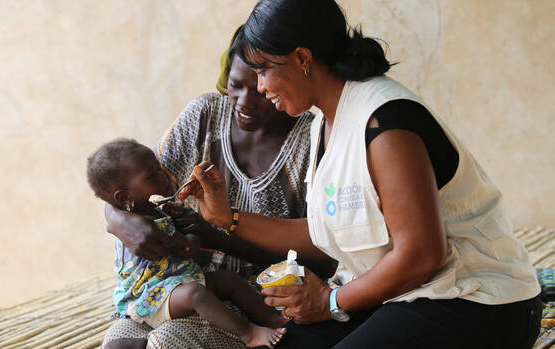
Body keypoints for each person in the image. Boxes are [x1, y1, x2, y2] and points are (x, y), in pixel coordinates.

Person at [178, 1, 543, 348]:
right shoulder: (324, 121)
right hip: (398, 296)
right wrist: (227, 218)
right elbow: (325, 229)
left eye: (262, 70)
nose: (259, 86)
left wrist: (330, 300)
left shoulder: (385, 125)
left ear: (302, 58)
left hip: (475, 300)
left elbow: (421, 255)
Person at [101, 27, 334, 349]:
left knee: (168, 342)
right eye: (236, 85)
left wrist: (217, 238)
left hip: (259, 296)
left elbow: (324, 258)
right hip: (176, 282)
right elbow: (128, 185)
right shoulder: (205, 115)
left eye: (260, 91)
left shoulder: (312, 141)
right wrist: (119, 221)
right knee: (118, 340)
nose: (244, 102)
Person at [87, 139, 287, 348]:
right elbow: (175, 250)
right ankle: (249, 334)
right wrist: (184, 241)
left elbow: (186, 250)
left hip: (177, 282)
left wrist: (190, 233)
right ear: (125, 197)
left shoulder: (158, 210)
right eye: (152, 175)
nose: (162, 176)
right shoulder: (138, 228)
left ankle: (274, 319)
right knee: (195, 294)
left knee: (228, 280)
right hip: (150, 297)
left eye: (158, 168)